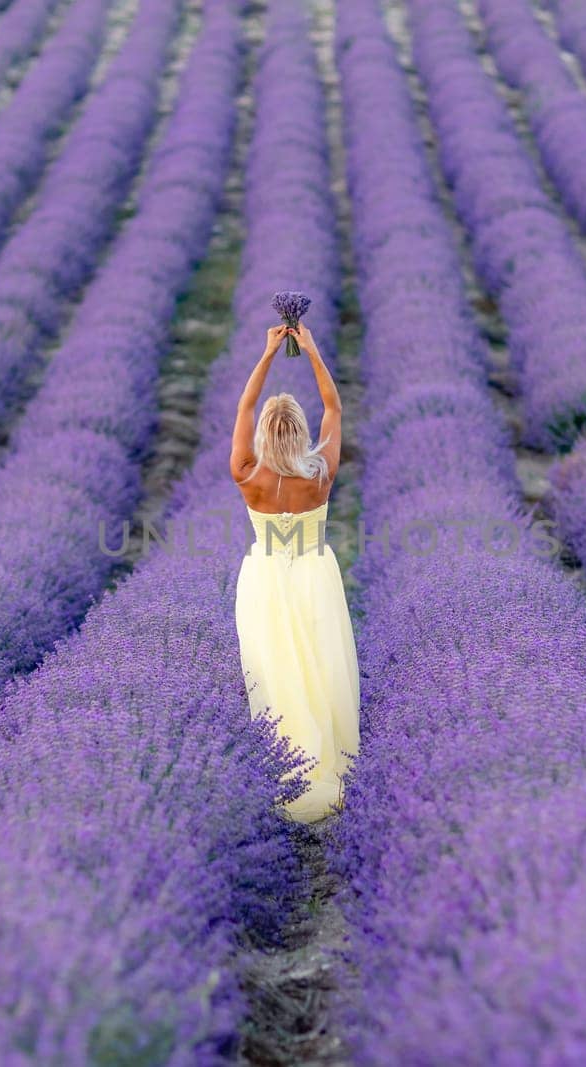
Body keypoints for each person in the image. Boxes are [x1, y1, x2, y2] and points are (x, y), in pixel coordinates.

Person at [229, 320, 359, 822]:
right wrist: (309, 350)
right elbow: (334, 407)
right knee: (322, 669)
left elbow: (243, 406)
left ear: (263, 432)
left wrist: (266, 354)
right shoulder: (320, 473)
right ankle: (327, 763)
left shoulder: (246, 472)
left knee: (275, 672)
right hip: (312, 576)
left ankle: (286, 766)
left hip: (264, 580)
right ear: (300, 432)